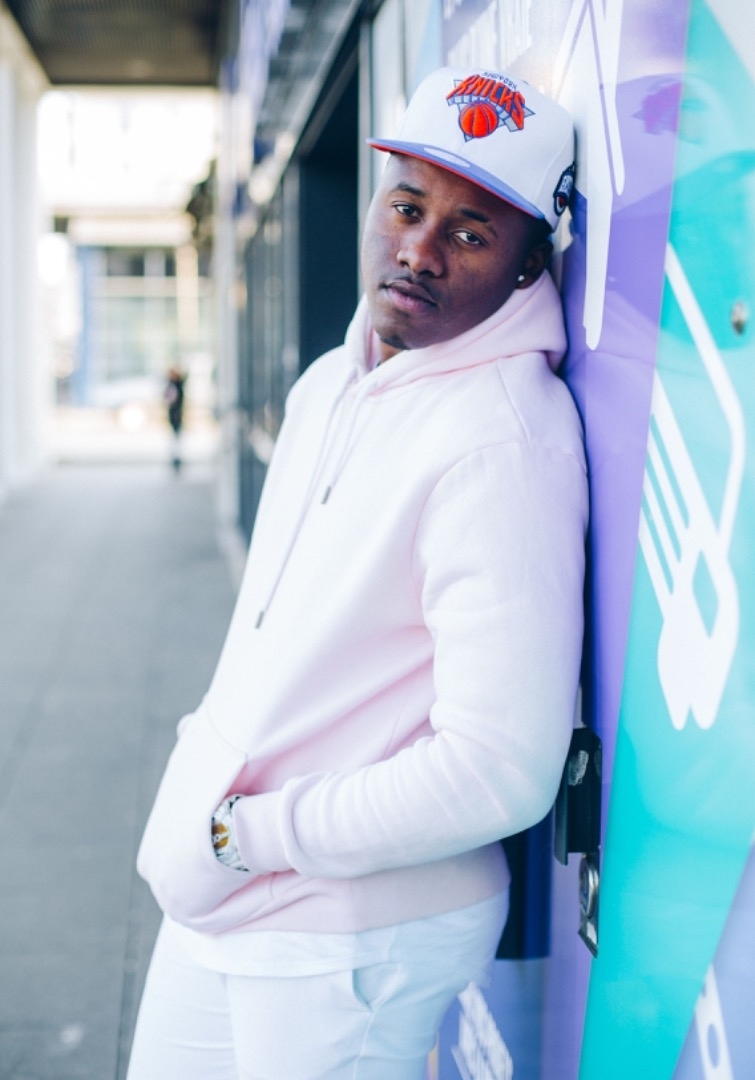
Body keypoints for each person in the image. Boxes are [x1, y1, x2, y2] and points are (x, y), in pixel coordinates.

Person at [128, 66, 588, 1080]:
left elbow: (496, 768)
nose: (418, 250)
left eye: (469, 232)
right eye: (407, 207)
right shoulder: (329, 385)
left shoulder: (503, 443)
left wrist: (245, 832)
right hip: (225, 890)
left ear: (527, 265)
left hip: (346, 932)